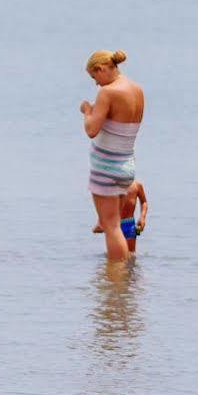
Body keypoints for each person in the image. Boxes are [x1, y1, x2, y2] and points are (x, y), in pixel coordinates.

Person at [79, 48, 144, 261]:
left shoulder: (108, 93)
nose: (96, 83)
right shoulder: (137, 89)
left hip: (107, 167)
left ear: (102, 69)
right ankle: (124, 279)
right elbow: (119, 124)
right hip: (126, 165)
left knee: (112, 227)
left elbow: (91, 130)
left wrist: (88, 111)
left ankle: (117, 284)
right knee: (114, 223)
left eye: (94, 77)